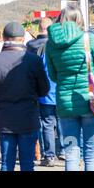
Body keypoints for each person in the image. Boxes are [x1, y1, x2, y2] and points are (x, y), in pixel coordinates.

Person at [45, 4, 94, 171]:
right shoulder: (88, 39)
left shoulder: (51, 44)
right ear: (79, 19)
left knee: (71, 153)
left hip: (65, 106)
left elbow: (53, 76)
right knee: (90, 154)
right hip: (90, 102)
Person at [0, 22, 50, 171]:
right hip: (28, 118)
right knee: (27, 164)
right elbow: (44, 89)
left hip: (4, 120)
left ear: (4, 37)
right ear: (22, 39)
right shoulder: (33, 60)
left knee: (6, 164)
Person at [27, 18, 65, 166]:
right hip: (61, 90)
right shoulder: (59, 45)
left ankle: (49, 155)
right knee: (63, 121)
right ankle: (64, 151)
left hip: (44, 92)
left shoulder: (31, 46)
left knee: (47, 124)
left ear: (39, 27)